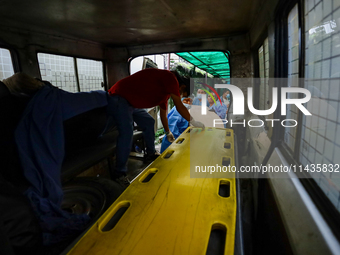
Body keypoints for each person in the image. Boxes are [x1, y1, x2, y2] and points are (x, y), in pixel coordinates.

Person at [107, 68, 205, 184]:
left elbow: (164, 115)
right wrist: (194, 122)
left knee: (149, 122)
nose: (180, 97)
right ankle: (119, 173)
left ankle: (150, 153)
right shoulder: (170, 78)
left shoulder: (164, 94)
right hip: (119, 96)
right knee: (127, 132)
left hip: (131, 102)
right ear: (182, 87)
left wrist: (168, 132)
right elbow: (179, 106)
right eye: (182, 94)